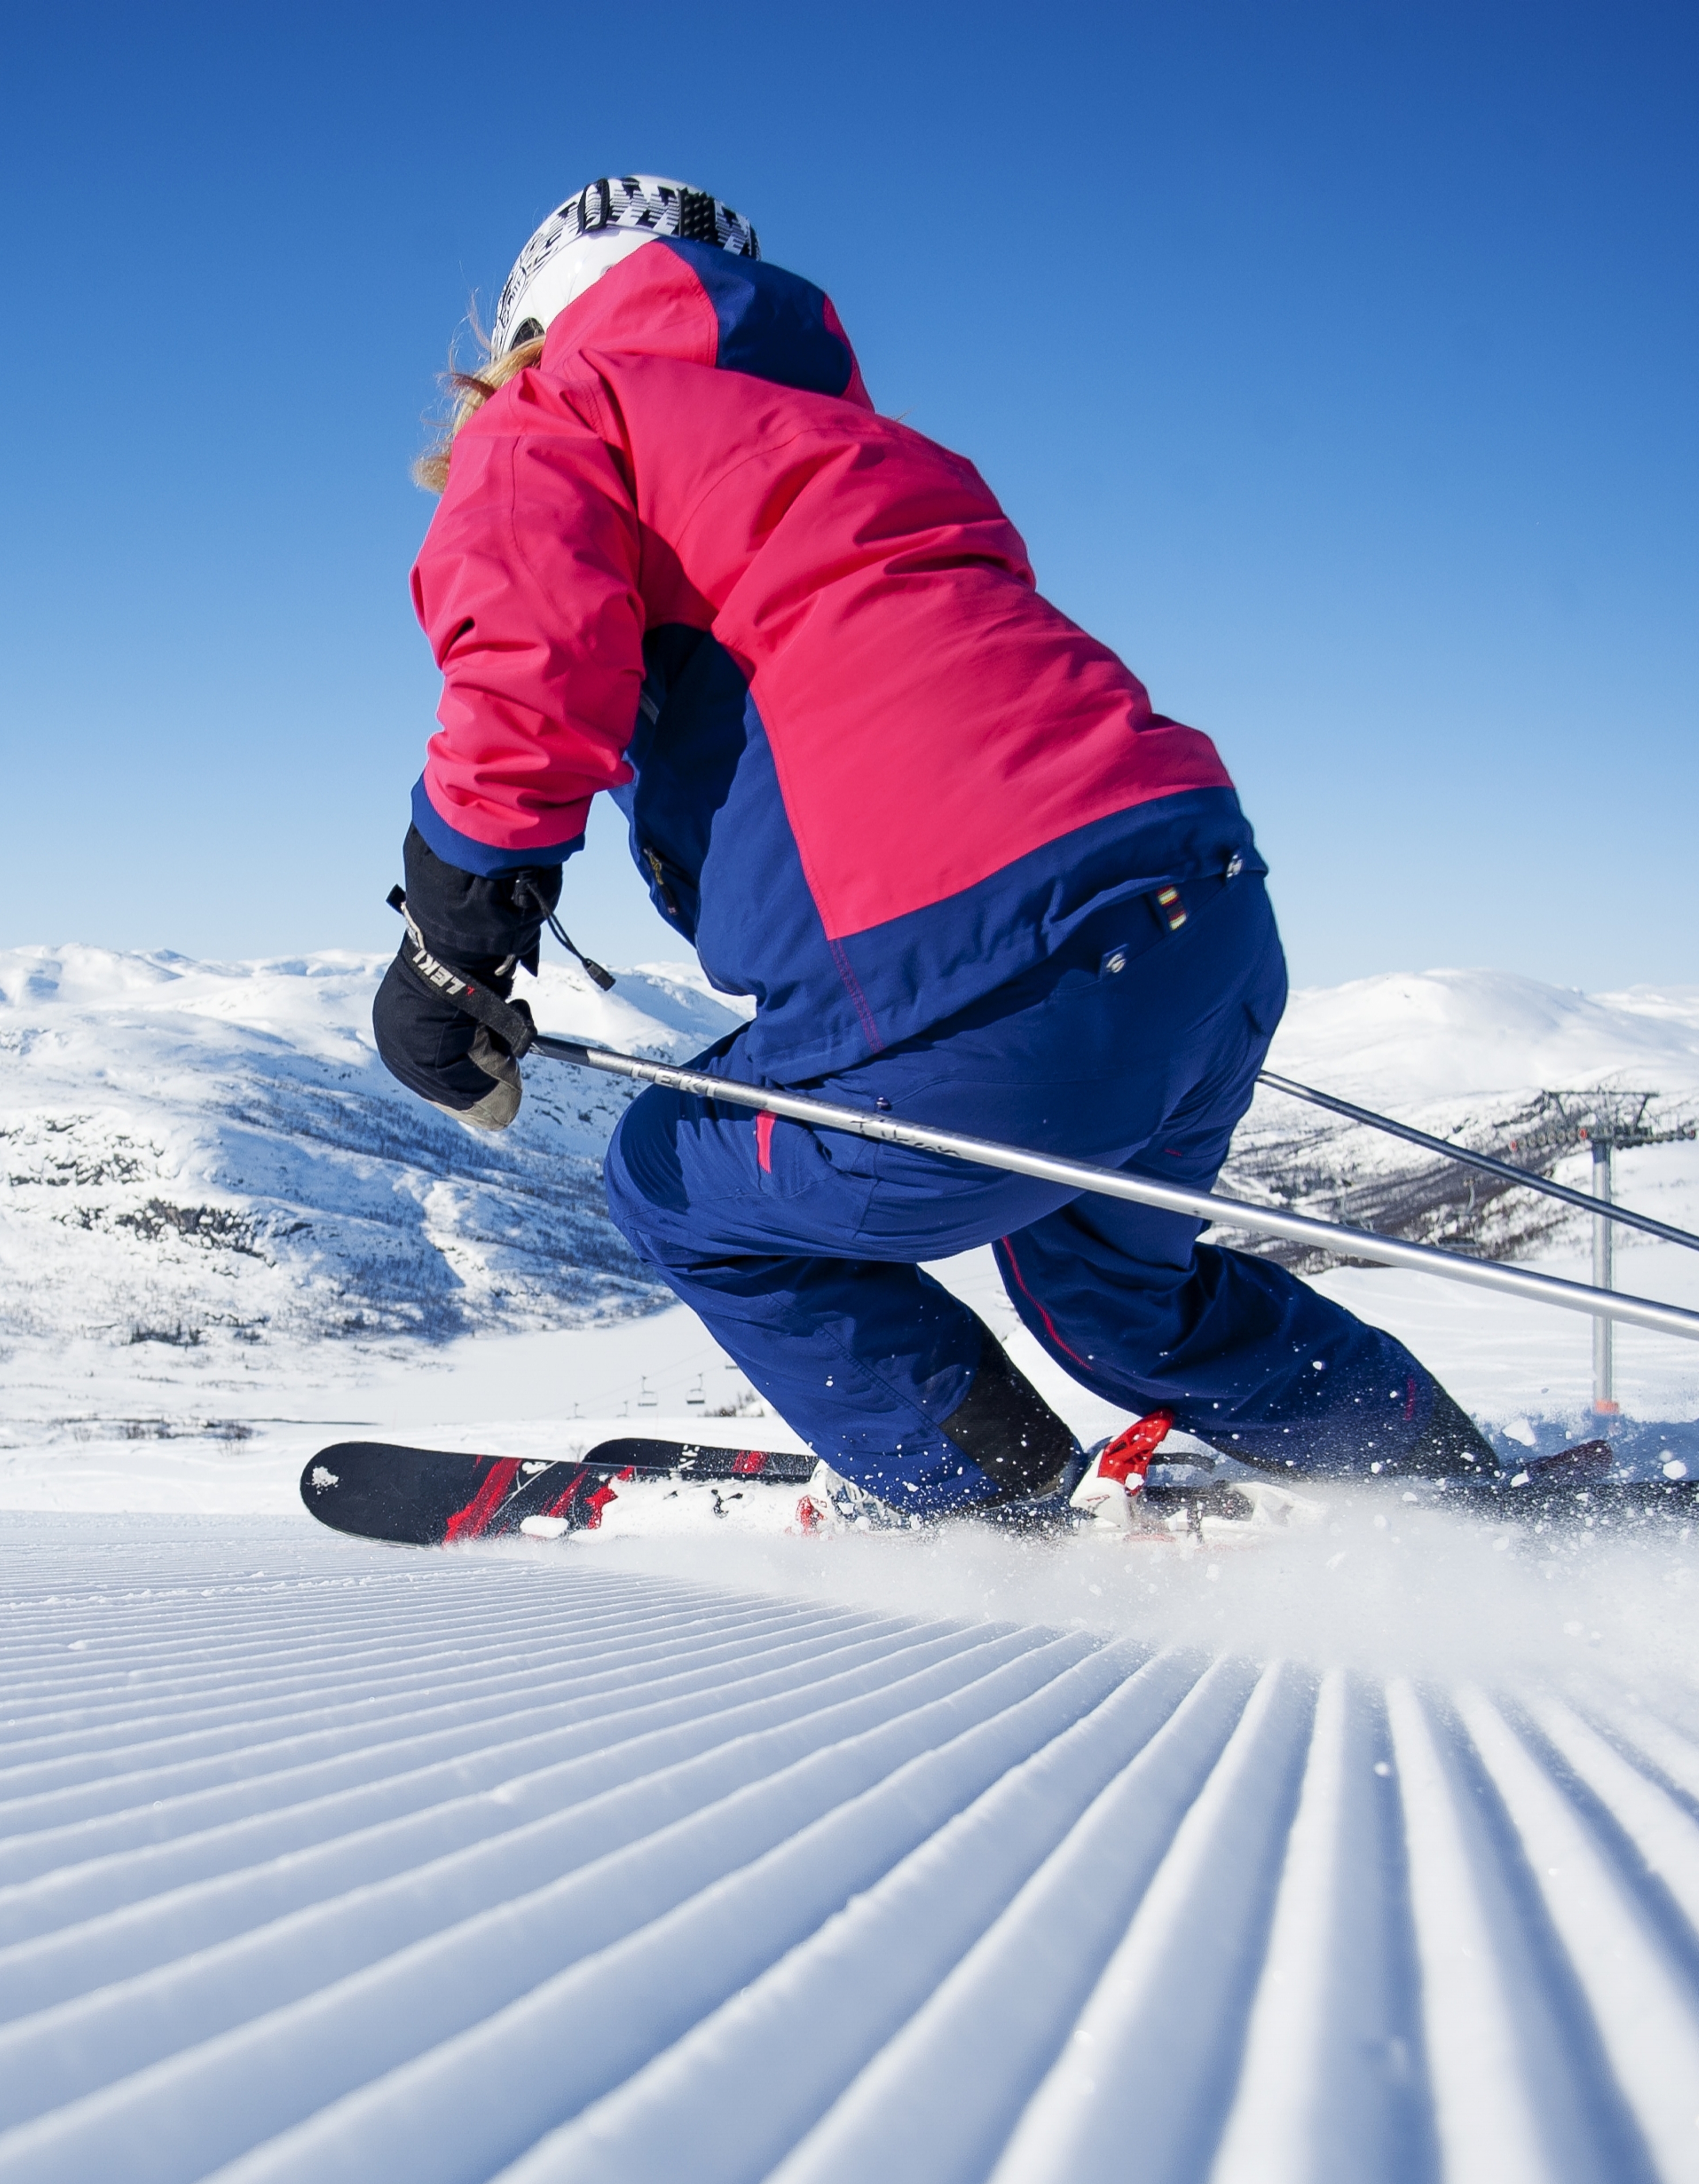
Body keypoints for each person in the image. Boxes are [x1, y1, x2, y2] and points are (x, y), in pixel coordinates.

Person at [374, 172, 1497, 1522]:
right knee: (1117, 1300)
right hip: (1202, 904)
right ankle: (1454, 1494)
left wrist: (448, 949)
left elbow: (528, 678)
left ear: (534, 328)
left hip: (959, 962)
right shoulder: (868, 448)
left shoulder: (566, 412)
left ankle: (986, 1508)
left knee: (673, 1183)